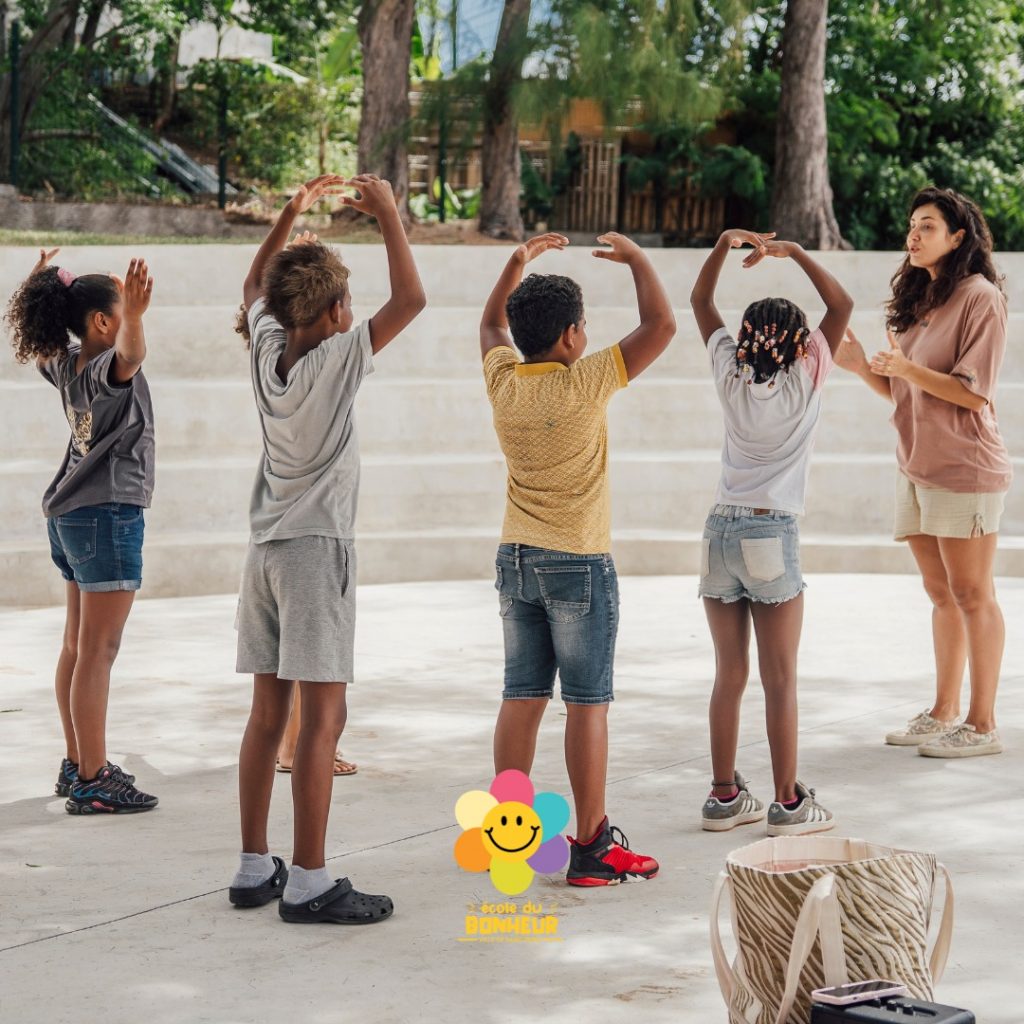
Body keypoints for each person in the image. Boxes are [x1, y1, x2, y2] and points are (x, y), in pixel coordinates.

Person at [228, 174, 425, 923]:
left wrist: (287, 214)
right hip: (317, 555)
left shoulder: (267, 347)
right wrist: (390, 216)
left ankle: (254, 867)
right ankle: (308, 879)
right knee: (323, 721)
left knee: (265, 718)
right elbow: (410, 303)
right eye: (346, 303)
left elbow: (254, 282)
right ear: (337, 314)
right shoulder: (338, 359)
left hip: (266, 554)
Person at [480, 230, 674, 887]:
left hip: (516, 559)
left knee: (522, 697)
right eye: (583, 327)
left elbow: (488, 322)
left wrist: (515, 263)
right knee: (587, 705)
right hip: (578, 565)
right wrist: (640, 260)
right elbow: (662, 323)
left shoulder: (504, 382)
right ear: (569, 337)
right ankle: (591, 847)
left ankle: (510, 832)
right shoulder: (586, 381)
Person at [835, 186, 1011, 758]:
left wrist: (906, 365)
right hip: (915, 464)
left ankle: (982, 724)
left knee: (971, 592)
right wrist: (862, 366)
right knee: (940, 594)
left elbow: (971, 393)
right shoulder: (924, 299)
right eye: (912, 224)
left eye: (928, 225)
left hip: (965, 466)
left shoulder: (980, 298)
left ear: (958, 238)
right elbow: (904, 393)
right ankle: (944, 710)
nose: (914, 234)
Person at [689, 228, 853, 836]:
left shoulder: (731, 376)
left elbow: (701, 305)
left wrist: (724, 245)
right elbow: (841, 307)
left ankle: (723, 795)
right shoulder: (805, 378)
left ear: (748, 338)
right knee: (779, 677)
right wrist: (796, 254)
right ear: (799, 342)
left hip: (718, 530)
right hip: (770, 532)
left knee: (729, 674)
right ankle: (788, 801)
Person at [5, 248, 159, 814]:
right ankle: (94, 778)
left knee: (77, 645)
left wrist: (41, 280)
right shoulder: (103, 369)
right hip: (107, 514)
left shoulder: (64, 364)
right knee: (100, 650)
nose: (130, 315)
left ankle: (78, 762)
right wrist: (136, 319)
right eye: (121, 309)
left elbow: (41, 334)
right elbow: (131, 354)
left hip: (71, 517)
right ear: (102, 321)